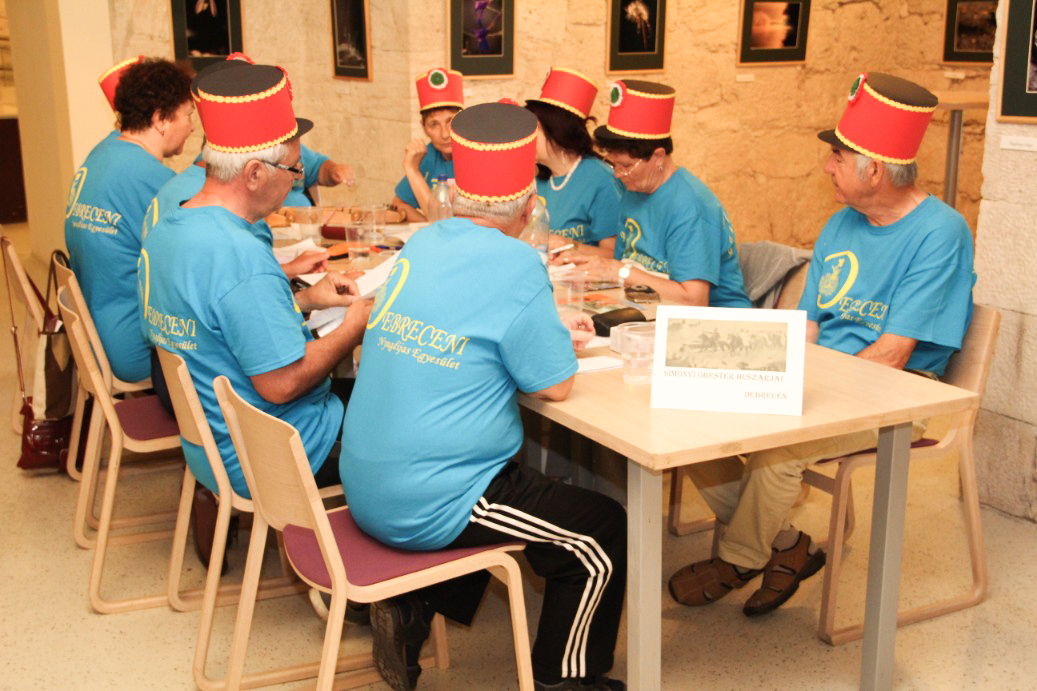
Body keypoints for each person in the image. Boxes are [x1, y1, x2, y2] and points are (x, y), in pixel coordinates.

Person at [341, 102, 626, 691]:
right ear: (529, 206)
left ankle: (415, 602)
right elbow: (554, 385)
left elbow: (466, 326)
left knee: (523, 489)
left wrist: (536, 329)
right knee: (598, 529)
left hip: (364, 480)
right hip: (428, 497)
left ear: (454, 197)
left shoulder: (423, 242)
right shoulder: (517, 262)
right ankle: (566, 678)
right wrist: (550, 336)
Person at [668, 72, 976, 617]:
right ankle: (787, 544)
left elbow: (894, 354)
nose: (827, 166)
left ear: (873, 169)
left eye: (838, 156)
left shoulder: (940, 233)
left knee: (779, 450)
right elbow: (807, 324)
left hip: (896, 393)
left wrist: (805, 395)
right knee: (686, 417)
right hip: (826, 375)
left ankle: (739, 559)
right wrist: (763, 374)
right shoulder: (840, 224)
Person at [138, 61, 370, 499]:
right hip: (278, 451)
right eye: (294, 171)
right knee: (415, 429)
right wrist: (354, 327)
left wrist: (304, 301)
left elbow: (216, 323)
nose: (296, 182)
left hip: (209, 443)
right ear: (255, 173)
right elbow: (282, 383)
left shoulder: (169, 230)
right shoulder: (242, 256)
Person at [559, 79, 750, 308]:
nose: (618, 174)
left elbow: (694, 299)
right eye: (613, 164)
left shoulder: (691, 206)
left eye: (626, 166)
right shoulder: (634, 188)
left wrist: (619, 272)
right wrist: (594, 269)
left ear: (658, 157)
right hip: (646, 308)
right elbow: (625, 265)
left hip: (712, 320)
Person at [65, 57, 193, 383]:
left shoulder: (102, 153)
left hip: (95, 328)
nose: (192, 127)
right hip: (130, 347)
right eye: (188, 115)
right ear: (161, 119)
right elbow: (195, 265)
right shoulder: (153, 180)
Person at [524, 67, 622, 256]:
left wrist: (568, 245)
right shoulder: (539, 179)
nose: (526, 138)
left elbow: (613, 255)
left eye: (534, 129)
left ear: (558, 130)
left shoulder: (601, 179)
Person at [390, 67, 463, 221]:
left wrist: (413, 171)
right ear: (424, 128)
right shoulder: (427, 155)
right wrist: (427, 227)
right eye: (434, 124)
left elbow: (441, 220)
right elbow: (398, 203)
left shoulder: (479, 155)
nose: (445, 134)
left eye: (451, 121)